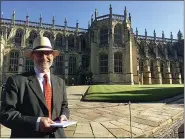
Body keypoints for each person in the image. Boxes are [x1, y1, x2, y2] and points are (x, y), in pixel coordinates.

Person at [0, 36, 70, 138]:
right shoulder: (16, 81)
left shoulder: (60, 82)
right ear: (32, 56)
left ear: (53, 56)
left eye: (47, 53)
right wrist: (36, 122)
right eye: (39, 53)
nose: (44, 57)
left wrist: (64, 116)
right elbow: (6, 114)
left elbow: (65, 106)